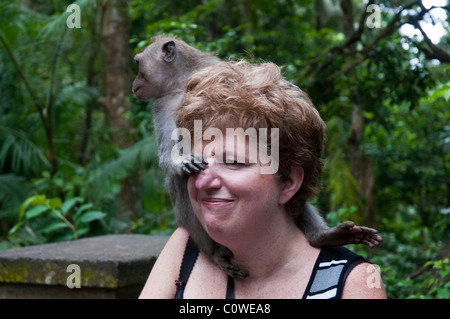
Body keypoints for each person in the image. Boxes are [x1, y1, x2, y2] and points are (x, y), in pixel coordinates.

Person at [139, 61, 386, 299]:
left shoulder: (352, 285)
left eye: (234, 162)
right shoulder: (186, 248)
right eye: (196, 165)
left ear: (288, 181)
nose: (203, 183)